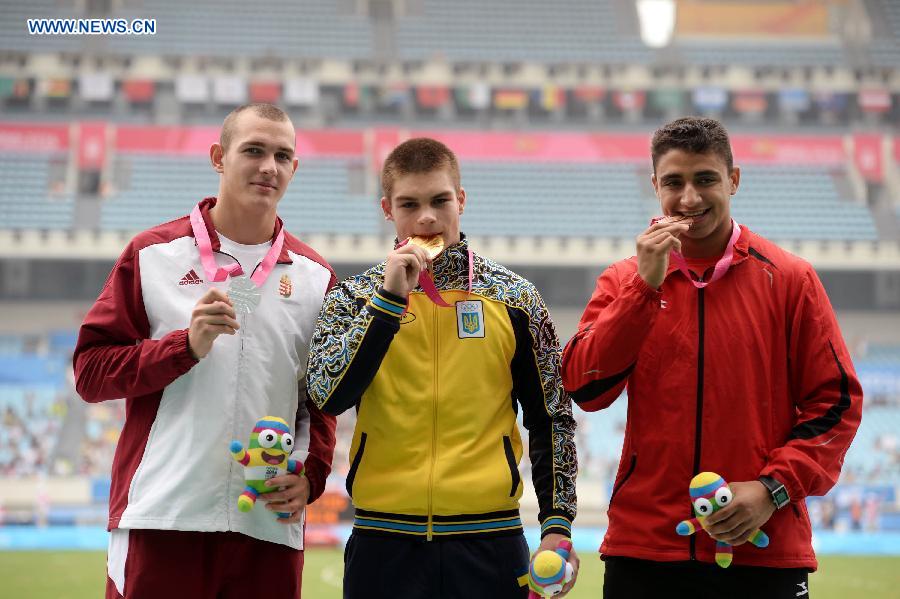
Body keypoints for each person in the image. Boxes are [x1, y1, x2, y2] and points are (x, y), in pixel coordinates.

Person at [561, 116, 863, 598]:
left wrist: (771, 490)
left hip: (762, 545)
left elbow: (837, 404)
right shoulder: (623, 280)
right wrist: (643, 289)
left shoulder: (790, 279)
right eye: (674, 183)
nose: (689, 199)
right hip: (645, 548)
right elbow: (584, 388)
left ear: (733, 180)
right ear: (655, 185)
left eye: (705, 179)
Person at [73, 103, 337, 599]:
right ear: (218, 157)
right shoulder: (153, 254)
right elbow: (90, 372)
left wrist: (311, 473)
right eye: (253, 150)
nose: (269, 167)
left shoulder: (316, 277)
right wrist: (183, 347)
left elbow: (320, 397)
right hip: (163, 518)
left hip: (266, 524)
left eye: (282, 156)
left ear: (294, 168)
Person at [306, 137, 579, 598]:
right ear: (387, 209)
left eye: (440, 201)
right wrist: (387, 302)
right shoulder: (353, 298)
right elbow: (327, 396)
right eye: (409, 204)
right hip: (382, 540)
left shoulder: (516, 298)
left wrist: (557, 522)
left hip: (490, 539)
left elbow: (551, 416)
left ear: (461, 200)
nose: (427, 218)